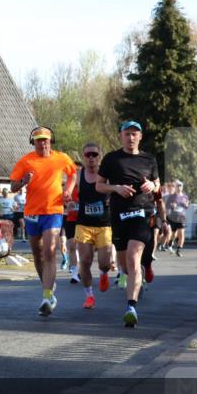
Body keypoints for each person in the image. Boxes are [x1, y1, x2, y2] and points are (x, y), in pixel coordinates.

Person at [96, 120, 160, 328]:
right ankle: (144, 265)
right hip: (119, 215)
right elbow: (99, 185)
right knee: (124, 264)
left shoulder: (149, 159)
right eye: (127, 134)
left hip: (142, 213)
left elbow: (157, 183)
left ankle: (131, 307)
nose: (131, 137)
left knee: (133, 259)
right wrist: (116, 188)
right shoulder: (112, 159)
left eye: (134, 134)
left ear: (140, 136)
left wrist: (152, 185)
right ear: (120, 136)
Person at [9, 127, 77, 317]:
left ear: (51, 140)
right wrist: (24, 180)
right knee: (38, 255)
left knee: (49, 251)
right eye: (38, 140)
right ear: (34, 142)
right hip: (32, 213)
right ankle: (48, 288)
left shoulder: (61, 158)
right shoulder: (26, 160)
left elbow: (73, 173)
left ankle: (46, 297)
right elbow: (13, 185)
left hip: (53, 211)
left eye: (45, 139)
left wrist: (68, 190)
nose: (43, 143)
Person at [74, 143, 113, 308]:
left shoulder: (108, 175)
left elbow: (116, 190)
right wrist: (67, 197)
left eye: (94, 155)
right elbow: (66, 189)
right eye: (88, 155)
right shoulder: (78, 175)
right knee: (85, 260)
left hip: (104, 224)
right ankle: (89, 296)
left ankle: (104, 273)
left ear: (100, 157)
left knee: (104, 263)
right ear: (83, 157)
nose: (91, 158)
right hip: (83, 224)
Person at [166, 180, 189, 257]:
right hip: (173, 217)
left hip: (181, 217)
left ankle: (178, 250)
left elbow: (187, 206)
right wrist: (172, 206)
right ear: (175, 187)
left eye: (180, 186)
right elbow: (167, 206)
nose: (179, 187)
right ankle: (171, 242)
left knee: (182, 234)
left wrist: (186, 205)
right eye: (178, 186)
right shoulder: (172, 196)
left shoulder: (185, 196)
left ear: (182, 187)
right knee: (174, 234)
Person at [64, 173, 81, 283]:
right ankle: (75, 274)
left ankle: (83, 270)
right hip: (70, 220)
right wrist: (67, 204)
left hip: (83, 220)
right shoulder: (67, 189)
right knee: (72, 246)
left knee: (84, 248)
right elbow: (62, 202)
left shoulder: (87, 188)